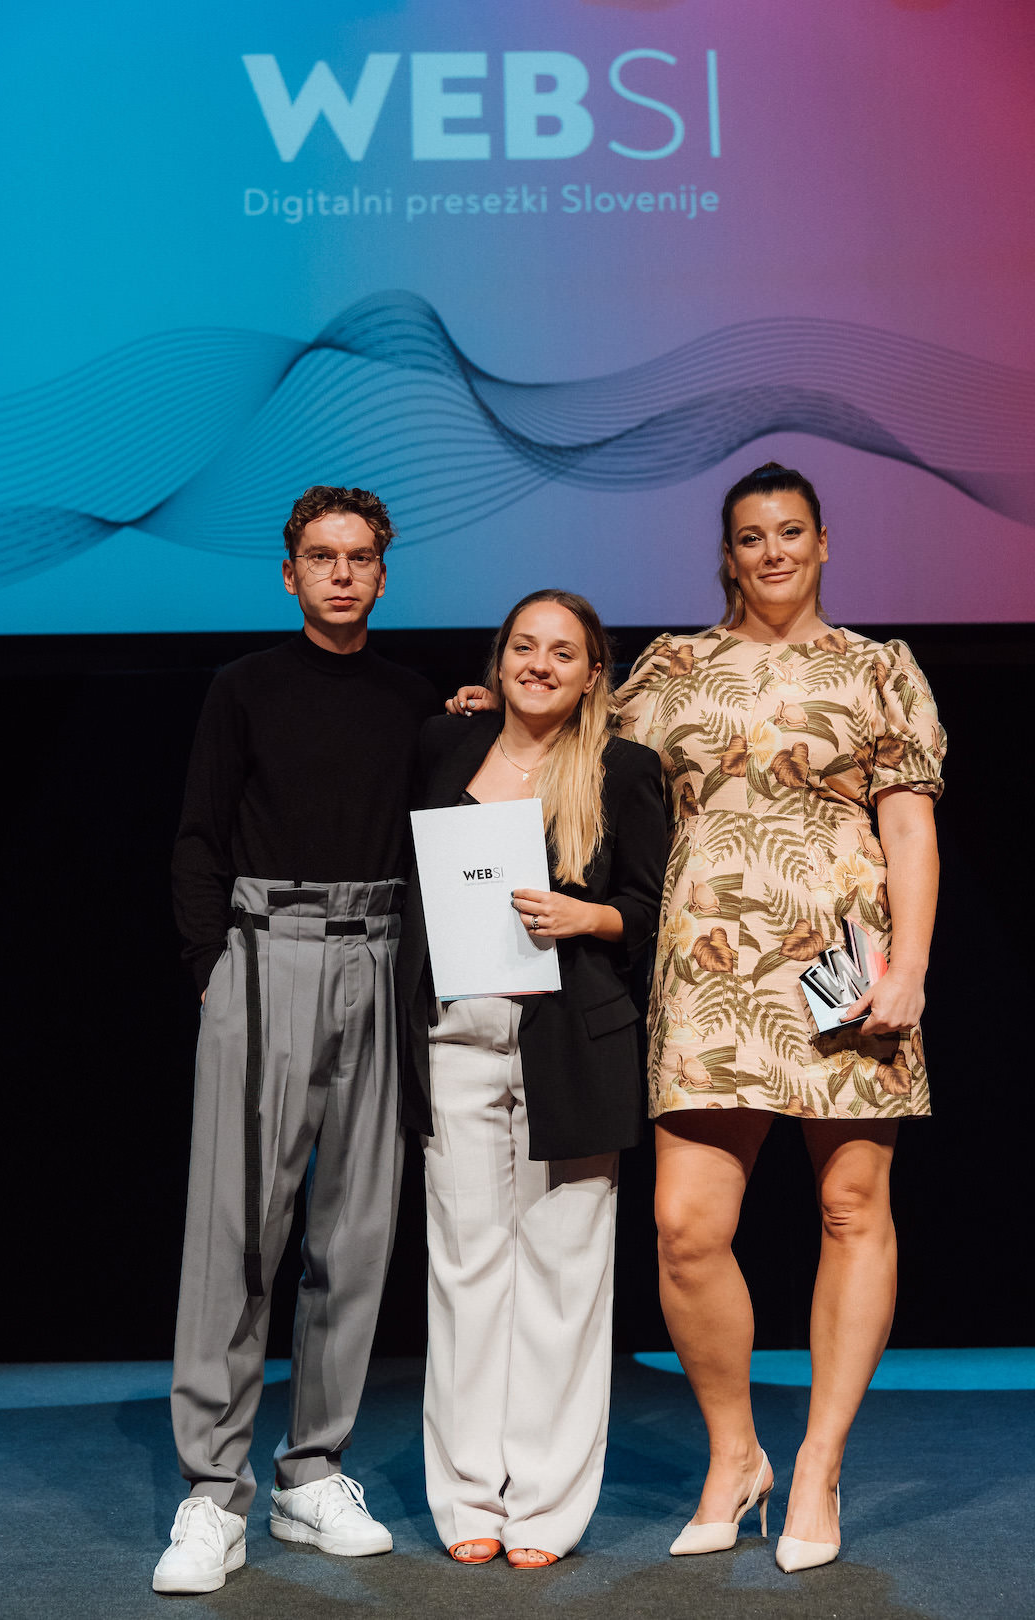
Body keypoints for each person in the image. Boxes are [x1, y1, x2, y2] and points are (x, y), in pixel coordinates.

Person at [448, 463, 945, 1571]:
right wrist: (501, 709)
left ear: (823, 543)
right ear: (728, 554)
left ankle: (816, 1467)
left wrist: (910, 966)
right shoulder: (673, 668)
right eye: (751, 537)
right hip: (708, 967)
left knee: (851, 1208)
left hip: (844, 959)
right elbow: (575, 733)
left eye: (791, 532)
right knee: (685, 1229)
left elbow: (909, 825)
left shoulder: (879, 669)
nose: (773, 552)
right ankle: (736, 1455)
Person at [154, 485, 439, 1594]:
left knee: (355, 1234)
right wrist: (211, 969)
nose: (341, 574)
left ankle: (312, 1471)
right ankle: (210, 1492)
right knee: (236, 1233)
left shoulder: (412, 699)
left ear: (383, 573)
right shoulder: (244, 688)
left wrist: (467, 714)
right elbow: (197, 835)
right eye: (322, 557)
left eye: (360, 557)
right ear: (289, 573)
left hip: (379, 955)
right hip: (265, 955)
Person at [398, 590, 666, 1569]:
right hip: (457, 1041)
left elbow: (650, 908)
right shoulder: (445, 745)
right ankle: (468, 1493)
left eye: (562, 652)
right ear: (498, 659)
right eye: (524, 646)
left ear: (594, 674)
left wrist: (585, 917)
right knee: (464, 1272)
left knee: (563, 1277)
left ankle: (547, 1507)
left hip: (573, 1048)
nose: (540, 664)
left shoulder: (623, 769)